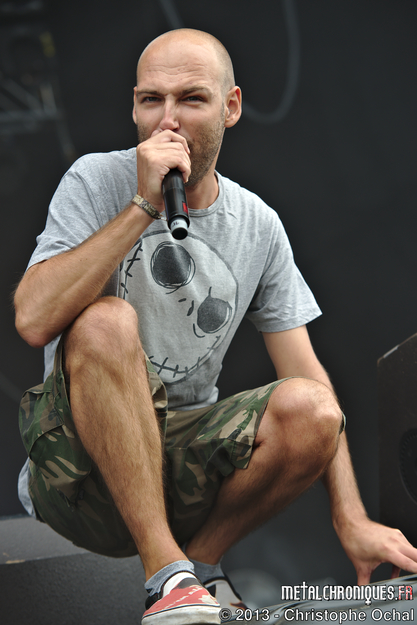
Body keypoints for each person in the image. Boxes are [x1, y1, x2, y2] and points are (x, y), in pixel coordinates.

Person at [14, 28, 417, 625]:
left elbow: (307, 376)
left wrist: (351, 518)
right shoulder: (94, 179)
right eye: (151, 100)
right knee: (104, 322)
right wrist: (142, 207)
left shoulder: (257, 224)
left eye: (191, 99)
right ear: (133, 107)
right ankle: (166, 577)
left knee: (313, 409)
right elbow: (32, 319)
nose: (167, 120)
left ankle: (197, 568)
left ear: (231, 107)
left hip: (181, 465)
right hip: (79, 468)